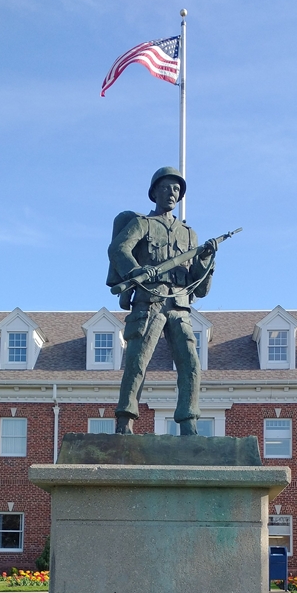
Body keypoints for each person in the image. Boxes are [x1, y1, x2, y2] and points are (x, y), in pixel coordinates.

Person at [108, 167, 216, 435]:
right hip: (149, 301)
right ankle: (125, 420)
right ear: (154, 191)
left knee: (191, 363)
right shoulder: (142, 224)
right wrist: (135, 272)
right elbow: (118, 249)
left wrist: (205, 261)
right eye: (167, 187)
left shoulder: (189, 234)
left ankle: (189, 422)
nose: (172, 193)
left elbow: (198, 287)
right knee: (137, 362)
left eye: (177, 189)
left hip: (179, 304)